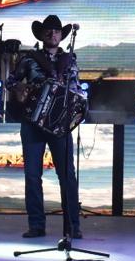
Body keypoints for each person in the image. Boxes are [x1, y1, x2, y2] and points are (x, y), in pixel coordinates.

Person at [6, 14, 83, 239]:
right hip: (32, 122)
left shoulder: (70, 60)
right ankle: (36, 225)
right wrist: (21, 90)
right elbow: (10, 81)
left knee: (67, 175)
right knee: (32, 175)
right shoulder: (29, 59)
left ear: (62, 35)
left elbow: (77, 88)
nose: (53, 34)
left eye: (57, 31)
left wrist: (77, 107)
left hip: (59, 125)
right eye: (48, 31)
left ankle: (72, 226)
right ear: (41, 35)